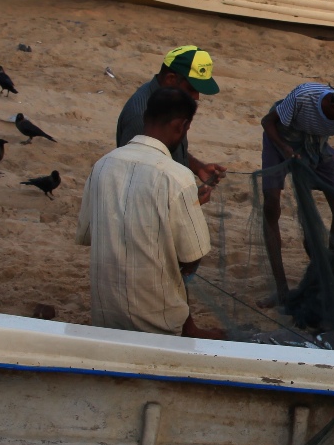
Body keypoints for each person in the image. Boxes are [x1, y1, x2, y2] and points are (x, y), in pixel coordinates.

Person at [78, 88, 213, 337]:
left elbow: (88, 234)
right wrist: (189, 208)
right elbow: (192, 256)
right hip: (159, 324)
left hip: (105, 317)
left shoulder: (103, 165)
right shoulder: (178, 177)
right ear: (181, 125)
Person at [258, 81, 334, 306]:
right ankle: (282, 289)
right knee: (271, 204)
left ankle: (326, 273)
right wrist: (285, 149)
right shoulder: (304, 97)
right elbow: (267, 122)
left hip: (315, 143)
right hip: (280, 137)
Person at [116, 46, 229, 201]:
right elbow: (133, 188)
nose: (196, 97)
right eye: (192, 89)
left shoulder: (171, 103)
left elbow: (166, 149)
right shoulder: (141, 118)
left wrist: (197, 167)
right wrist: (186, 204)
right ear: (170, 79)